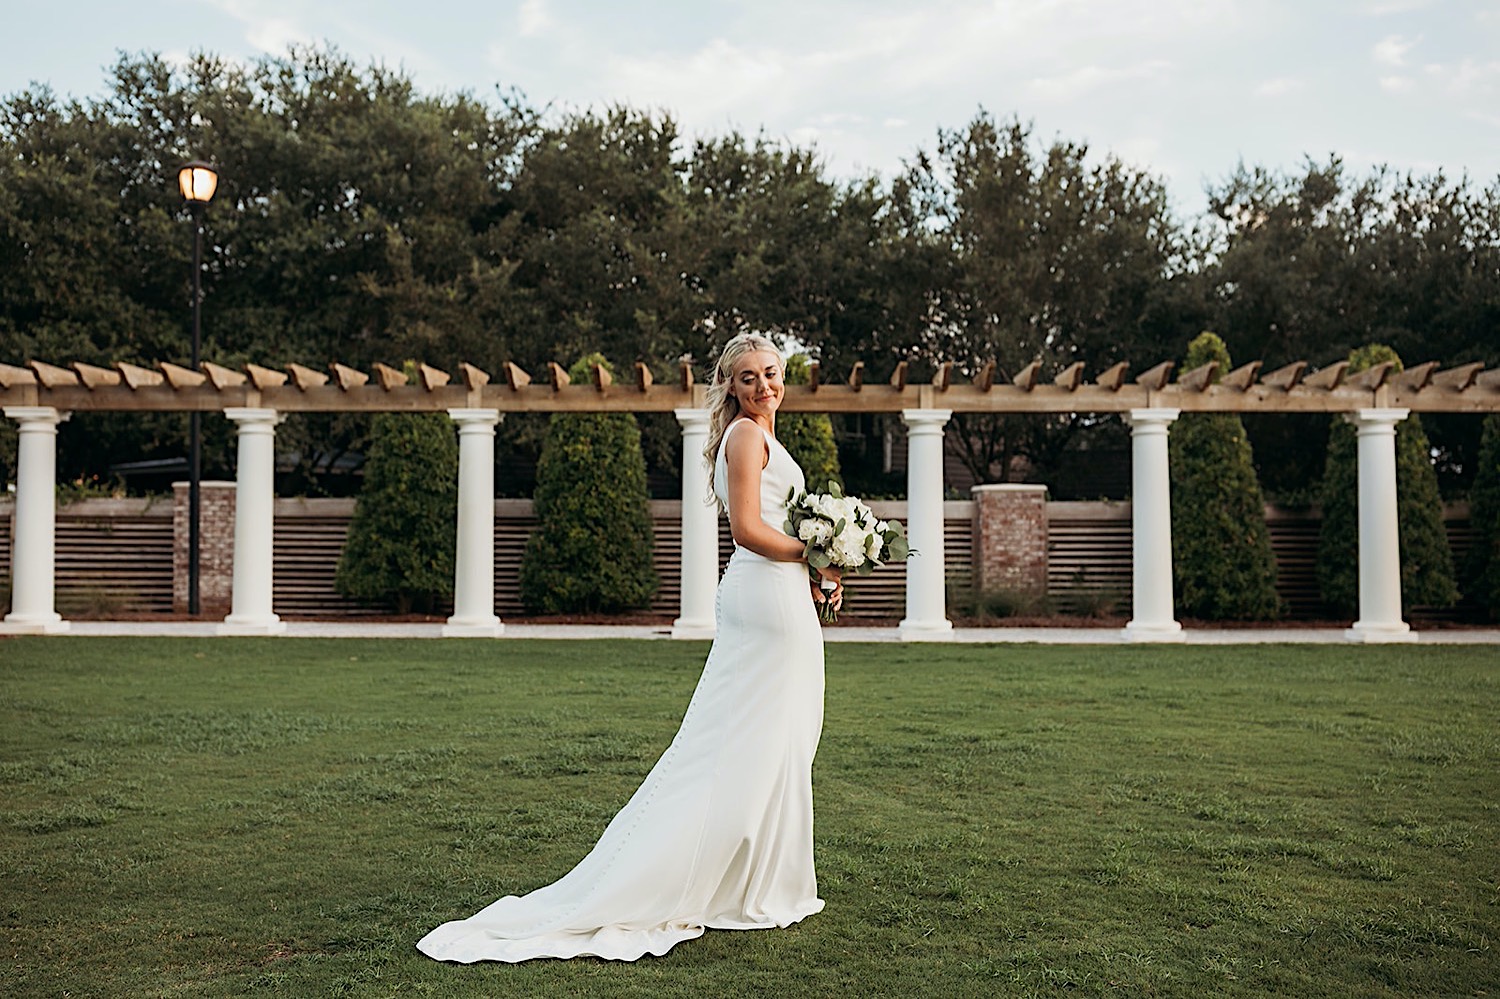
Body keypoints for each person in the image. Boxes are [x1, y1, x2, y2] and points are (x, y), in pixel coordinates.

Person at [417, 332, 842, 963]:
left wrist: (818, 570)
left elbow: (769, 528)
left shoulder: (760, 437)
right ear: (729, 386)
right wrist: (819, 554)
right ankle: (727, 882)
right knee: (758, 742)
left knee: (771, 741)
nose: (763, 386)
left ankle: (756, 879)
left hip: (774, 594)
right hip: (767, 597)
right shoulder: (748, 437)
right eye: (747, 377)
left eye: (771, 373)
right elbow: (751, 531)